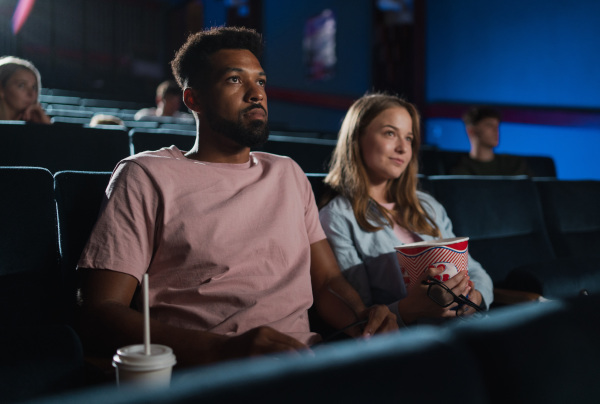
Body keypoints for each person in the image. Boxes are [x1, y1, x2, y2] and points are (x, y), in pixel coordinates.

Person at [77, 27, 397, 368]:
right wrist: (220, 350)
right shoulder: (145, 175)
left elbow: (328, 281)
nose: (256, 94)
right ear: (193, 100)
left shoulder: (288, 173)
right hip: (208, 372)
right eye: (234, 80)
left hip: (304, 366)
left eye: (260, 81)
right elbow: (98, 312)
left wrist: (364, 318)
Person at [319, 93, 494, 327]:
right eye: (390, 133)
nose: (403, 148)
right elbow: (359, 314)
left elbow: (475, 271)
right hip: (408, 339)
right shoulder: (337, 216)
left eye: (409, 138)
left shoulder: (427, 205)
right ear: (356, 138)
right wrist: (409, 310)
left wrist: (477, 298)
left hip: (464, 326)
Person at [450, 106, 532, 176]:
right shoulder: (461, 171)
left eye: (497, 126)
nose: (496, 131)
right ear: (471, 131)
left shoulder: (513, 165)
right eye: (489, 125)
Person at [0, 56, 50, 124]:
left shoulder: (36, 123)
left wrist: (44, 125)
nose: (31, 94)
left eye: (34, 87)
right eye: (21, 85)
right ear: (1, 89)